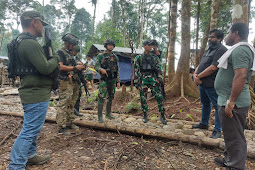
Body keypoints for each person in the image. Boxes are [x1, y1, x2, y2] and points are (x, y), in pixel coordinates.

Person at [8, 11, 60, 169]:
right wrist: (56, 58)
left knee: (32, 127)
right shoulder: (30, 43)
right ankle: (16, 165)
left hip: (32, 91)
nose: (42, 29)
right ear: (34, 23)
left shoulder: (19, 41)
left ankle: (30, 155)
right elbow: (45, 68)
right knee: (30, 130)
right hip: (36, 94)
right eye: (41, 25)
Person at [214, 23, 255, 170]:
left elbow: (241, 75)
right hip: (228, 99)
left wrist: (231, 102)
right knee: (231, 133)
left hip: (234, 102)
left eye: (228, 32)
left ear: (235, 33)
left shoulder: (241, 50)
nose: (226, 35)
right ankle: (229, 159)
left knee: (236, 136)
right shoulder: (237, 50)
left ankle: (236, 166)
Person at [192, 29, 227, 139]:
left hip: (212, 83)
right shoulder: (209, 49)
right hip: (202, 83)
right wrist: (195, 74)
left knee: (217, 106)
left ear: (219, 39)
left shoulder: (221, 49)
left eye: (212, 37)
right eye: (209, 37)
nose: (209, 39)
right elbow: (201, 63)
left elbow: (213, 67)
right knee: (205, 104)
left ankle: (217, 129)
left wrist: (198, 77)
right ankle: (204, 123)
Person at [56, 33, 85, 135]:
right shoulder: (60, 52)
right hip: (65, 81)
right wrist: (74, 68)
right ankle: (61, 126)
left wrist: (79, 65)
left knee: (72, 102)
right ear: (67, 43)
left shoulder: (70, 54)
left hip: (74, 81)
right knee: (64, 103)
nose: (73, 47)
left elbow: (74, 63)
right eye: (72, 44)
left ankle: (70, 122)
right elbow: (60, 67)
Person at [134, 40, 167, 125]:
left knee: (159, 96)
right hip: (143, 78)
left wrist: (159, 78)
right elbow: (136, 70)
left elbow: (159, 67)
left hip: (153, 78)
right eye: (148, 45)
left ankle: (162, 115)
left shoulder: (154, 57)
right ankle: (145, 115)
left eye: (151, 45)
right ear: (144, 46)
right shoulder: (139, 58)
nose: (150, 47)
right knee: (143, 97)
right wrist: (136, 82)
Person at [95, 39, 121, 123]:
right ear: (106, 45)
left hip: (113, 80)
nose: (111, 46)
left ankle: (108, 113)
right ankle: (99, 116)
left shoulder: (115, 57)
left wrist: (118, 81)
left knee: (111, 97)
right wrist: (101, 69)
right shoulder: (100, 56)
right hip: (104, 80)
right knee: (101, 97)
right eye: (109, 45)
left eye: (112, 45)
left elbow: (117, 70)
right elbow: (96, 66)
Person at [72, 45, 84, 117]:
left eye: (76, 52)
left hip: (77, 79)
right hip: (70, 79)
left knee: (78, 94)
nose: (75, 53)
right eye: (74, 51)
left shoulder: (77, 58)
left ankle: (76, 110)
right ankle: (72, 110)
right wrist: (76, 64)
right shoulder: (69, 57)